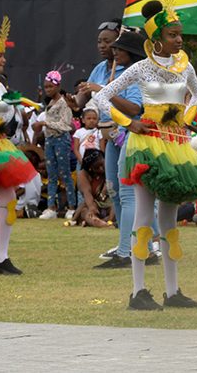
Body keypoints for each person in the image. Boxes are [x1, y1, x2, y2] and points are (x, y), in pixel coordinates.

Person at [94, 0, 197, 310]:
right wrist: (130, 123)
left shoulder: (185, 66)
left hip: (175, 142)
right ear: (157, 37)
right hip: (147, 143)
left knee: (169, 219)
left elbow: (196, 95)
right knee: (143, 216)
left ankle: (173, 291)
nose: (179, 40)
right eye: (173, 35)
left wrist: (185, 118)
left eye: (180, 35)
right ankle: (138, 291)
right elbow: (102, 97)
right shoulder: (140, 69)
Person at [82, 29, 145, 269]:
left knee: (129, 194)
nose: (113, 51)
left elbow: (133, 108)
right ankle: (132, 245)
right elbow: (85, 102)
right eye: (112, 46)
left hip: (130, 133)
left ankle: (127, 251)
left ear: (131, 52)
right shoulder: (103, 69)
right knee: (114, 190)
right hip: (110, 135)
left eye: (118, 47)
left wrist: (103, 90)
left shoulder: (136, 73)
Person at [0, 16, 39, 275]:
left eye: (3, 56)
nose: (3, 60)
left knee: (8, 200)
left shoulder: (0, 84)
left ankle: (1, 257)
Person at [36, 70, 75, 220]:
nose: (48, 90)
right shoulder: (50, 103)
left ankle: (71, 207)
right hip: (50, 140)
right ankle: (51, 207)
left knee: (65, 173)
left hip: (61, 139)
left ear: (58, 86)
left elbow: (66, 125)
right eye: (46, 87)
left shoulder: (63, 103)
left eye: (50, 87)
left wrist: (45, 123)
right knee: (51, 173)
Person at [74, 149, 114, 228]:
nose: (101, 169)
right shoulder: (83, 175)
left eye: (102, 165)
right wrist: (92, 208)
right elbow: (87, 194)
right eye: (96, 167)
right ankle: (98, 222)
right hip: (94, 204)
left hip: (111, 204)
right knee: (86, 212)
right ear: (90, 168)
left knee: (117, 207)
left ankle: (109, 221)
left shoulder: (112, 167)